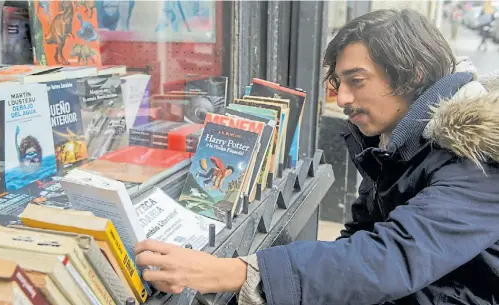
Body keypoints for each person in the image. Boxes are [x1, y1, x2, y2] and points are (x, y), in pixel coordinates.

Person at [135, 9, 499, 305]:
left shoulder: (475, 158)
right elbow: (362, 236)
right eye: (338, 83)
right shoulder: (399, 141)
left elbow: (393, 256)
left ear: (412, 74)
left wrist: (237, 273)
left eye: (356, 80)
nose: (340, 99)